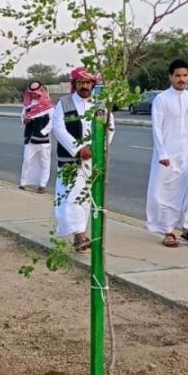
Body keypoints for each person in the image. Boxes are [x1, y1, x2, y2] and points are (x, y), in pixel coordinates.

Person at [146, 58, 188, 248]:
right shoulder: (161, 99)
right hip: (167, 154)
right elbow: (157, 128)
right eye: (178, 76)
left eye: (185, 76)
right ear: (171, 77)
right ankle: (168, 231)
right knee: (165, 193)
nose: (181, 79)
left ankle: (187, 227)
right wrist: (162, 154)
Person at [51, 67, 115, 251]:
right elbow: (58, 128)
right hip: (71, 161)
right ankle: (78, 234)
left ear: (93, 84)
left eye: (88, 83)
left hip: (93, 160)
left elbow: (110, 128)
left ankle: (80, 235)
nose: (84, 86)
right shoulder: (64, 103)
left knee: (85, 198)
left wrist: (97, 149)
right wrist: (79, 149)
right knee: (69, 197)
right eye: (80, 82)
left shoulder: (100, 104)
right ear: (75, 84)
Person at [19, 81, 54, 193]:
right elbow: (22, 116)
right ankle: (23, 183)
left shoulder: (48, 106)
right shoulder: (28, 104)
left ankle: (42, 185)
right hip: (30, 138)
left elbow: (52, 121)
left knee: (45, 162)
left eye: (35, 93)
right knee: (27, 160)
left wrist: (44, 132)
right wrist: (25, 120)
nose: (33, 95)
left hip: (43, 140)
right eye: (31, 93)